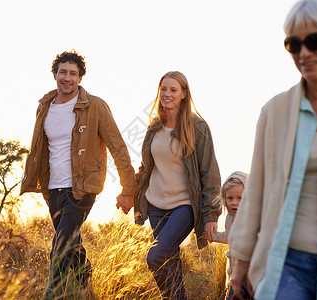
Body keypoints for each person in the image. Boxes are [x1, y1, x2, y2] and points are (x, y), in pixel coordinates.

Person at [228, 0, 317, 299]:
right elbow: (255, 190)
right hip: (286, 267)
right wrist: (241, 261)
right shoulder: (274, 112)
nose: (304, 53)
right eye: (294, 45)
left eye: (315, 41)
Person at [20, 50, 137, 297]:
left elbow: (117, 146)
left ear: (80, 78)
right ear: (54, 74)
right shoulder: (44, 107)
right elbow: (40, 148)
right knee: (71, 243)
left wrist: (128, 189)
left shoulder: (96, 106)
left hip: (83, 188)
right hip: (52, 189)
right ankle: (85, 280)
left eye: (73, 73)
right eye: (63, 72)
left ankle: (52, 295)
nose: (67, 78)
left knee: (60, 247)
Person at [129, 71, 221, 299]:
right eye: (163, 89)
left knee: (155, 256)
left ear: (183, 94)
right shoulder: (154, 128)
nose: (167, 94)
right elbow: (146, 168)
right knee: (169, 259)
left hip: (184, 205)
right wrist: (128, 192)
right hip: (156, 205)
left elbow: (210, 173)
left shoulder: (197, 128)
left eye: (173, 90)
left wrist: (211, 215)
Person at [211, 171, 248, 300]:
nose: (234, 203)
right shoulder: (230, 218)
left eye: (240, 198)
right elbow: (230, 237)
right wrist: (214, 237)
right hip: (234, 274)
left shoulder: (252, 218)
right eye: (230, 198)